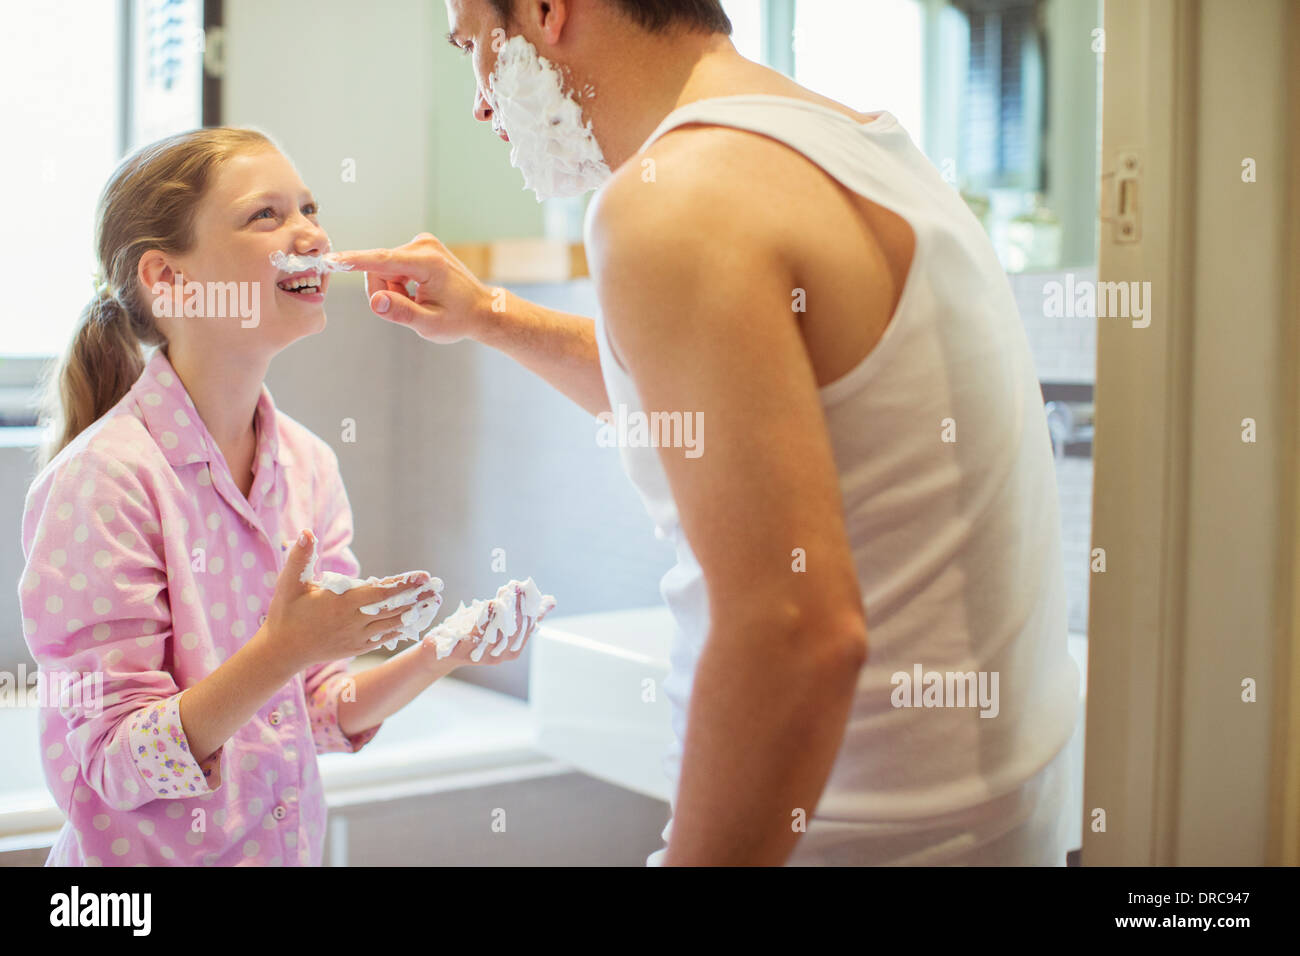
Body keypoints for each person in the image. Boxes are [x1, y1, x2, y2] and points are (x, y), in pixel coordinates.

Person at [336, 0, 1080, 865]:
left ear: (545, 12)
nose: (478, 99)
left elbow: (796, 632)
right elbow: (734, 405)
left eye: (475, 45)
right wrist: (490, 313)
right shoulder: (864, 149)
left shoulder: (671, 198)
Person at [19, 127, 547, 866]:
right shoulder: (101, 484)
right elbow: (112, 759)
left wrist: (442, 650)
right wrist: (284, 648)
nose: (311, 233)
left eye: (309, 207)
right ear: (167, 279)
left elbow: (318, 711)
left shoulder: (308, 465)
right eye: (265, 215)